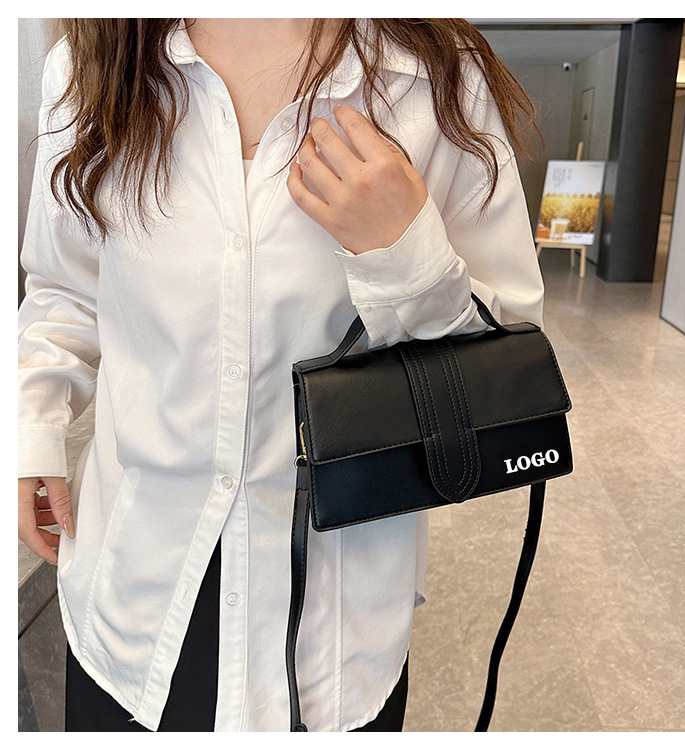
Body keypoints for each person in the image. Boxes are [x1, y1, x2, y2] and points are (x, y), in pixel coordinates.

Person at [17, 18, 545, 732]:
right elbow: (66, 289)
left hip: (336, 632)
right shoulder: (90, 63)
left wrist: (407, 256)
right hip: (131, 601)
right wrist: (33, 424)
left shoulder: (431, 75)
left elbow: (510, 360)